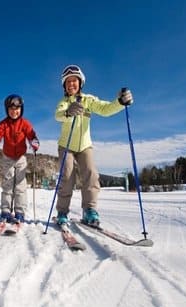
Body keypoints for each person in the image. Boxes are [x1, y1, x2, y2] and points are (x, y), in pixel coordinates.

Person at [54, 65, 133, 226]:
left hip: (84, 145)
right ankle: (62, 211)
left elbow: (105, 109)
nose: (71, 84)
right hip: (66, 145)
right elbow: (58, 116)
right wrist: (69, 111)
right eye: (67, 82)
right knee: (67, 175)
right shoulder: (63, 102)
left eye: (74, 81)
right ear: (64, 86)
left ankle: (89, 210)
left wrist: (120, 102)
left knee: (90, 173)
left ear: (80, 82)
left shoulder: (88, 100)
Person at [0, 94, 40, 224]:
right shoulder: (4, 123)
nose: (14, 111)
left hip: (21, 158)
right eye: (11, 109)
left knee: (20, 186)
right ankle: (5, 210)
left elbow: (31, 134)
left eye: (17, 108)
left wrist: (34, 141)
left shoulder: (25, 123)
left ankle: (19, 212)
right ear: (7, 110)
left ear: (21, 109)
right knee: (7, 184)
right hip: (7, 157)